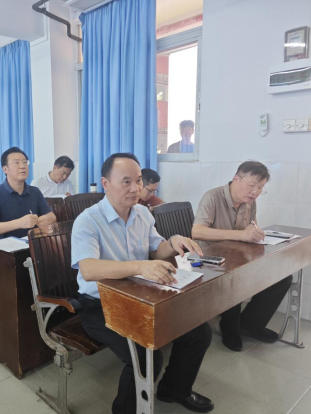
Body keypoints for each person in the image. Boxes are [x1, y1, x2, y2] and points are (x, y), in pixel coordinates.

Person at [72, 153, 213, 413]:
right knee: (145, 358)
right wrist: (140, 267)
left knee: (199, 333)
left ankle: (174, 389)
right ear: (105, 183)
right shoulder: (88, 220)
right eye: (126, 181)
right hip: (100, 305)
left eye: (138, 181)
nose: (135, 188)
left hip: (140, 296)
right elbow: (89, 269)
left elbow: (157, 249)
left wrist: (173, 242)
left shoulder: (142, 214)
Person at [192, 161, 292, 352]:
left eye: (261, 187)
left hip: (238, 257)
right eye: (252, 185)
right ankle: (229, 327)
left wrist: (254, 233)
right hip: (210, 260)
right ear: (236, 179)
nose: (255, 192)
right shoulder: (212, 197)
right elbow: (197, 231)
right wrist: (241, 235)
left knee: (282, 277)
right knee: (236, 277)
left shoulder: (249, 202)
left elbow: (250, 228)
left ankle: (249, 325)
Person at [0, 147, 57, 275]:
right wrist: (20, 223)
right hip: (4, 257)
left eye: (25, 162)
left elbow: (52, 217)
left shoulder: (35, 191)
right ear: (5, 169)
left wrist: (45, 220)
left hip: (32, 252)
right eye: (16, 162)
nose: (22, 166)